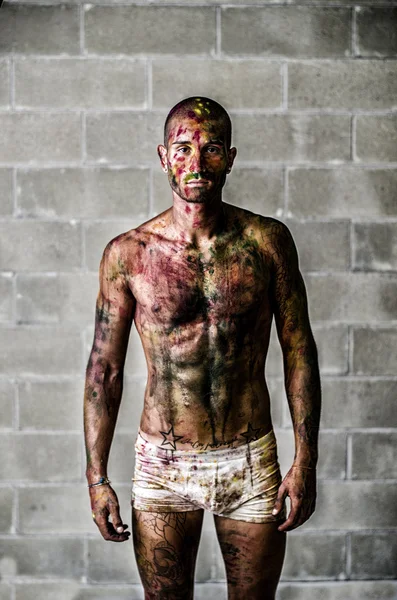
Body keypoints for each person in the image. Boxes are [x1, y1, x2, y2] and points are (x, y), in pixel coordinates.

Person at [83, 96, 321, 600]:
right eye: (183, 147)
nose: (196, 162)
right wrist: (97, 476)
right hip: (163, 465)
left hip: (250, 458)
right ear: (163, 155)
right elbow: (104, 368)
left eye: (211, 148)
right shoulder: (128, 254)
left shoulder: (267, 242)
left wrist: (306, 461)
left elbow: (299, 349)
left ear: (230, 158)